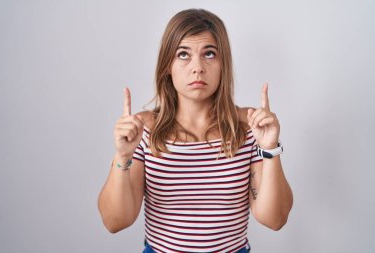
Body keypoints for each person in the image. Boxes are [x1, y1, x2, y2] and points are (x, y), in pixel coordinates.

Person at [98, 8, 293, 253]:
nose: (197, 67)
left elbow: (274, 219)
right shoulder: (145, 130)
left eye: (209, 54)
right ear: (168, 65)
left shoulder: (249, 128)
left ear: (223, 64)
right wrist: (122, 156)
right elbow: (115, 221)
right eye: (183, 54)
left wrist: (270, 149)